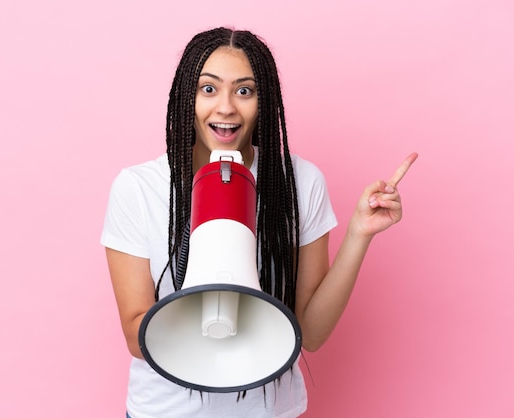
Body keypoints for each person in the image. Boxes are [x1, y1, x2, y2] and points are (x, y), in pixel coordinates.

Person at [101, 27, 417, 418]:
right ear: (186, 96)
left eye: (245, 91)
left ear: (263, 101)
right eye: (209, 89)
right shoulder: (139, 188)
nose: (226, 108)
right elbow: (137, 336)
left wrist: (358, 234)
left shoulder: (298, 182)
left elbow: (311, 334)